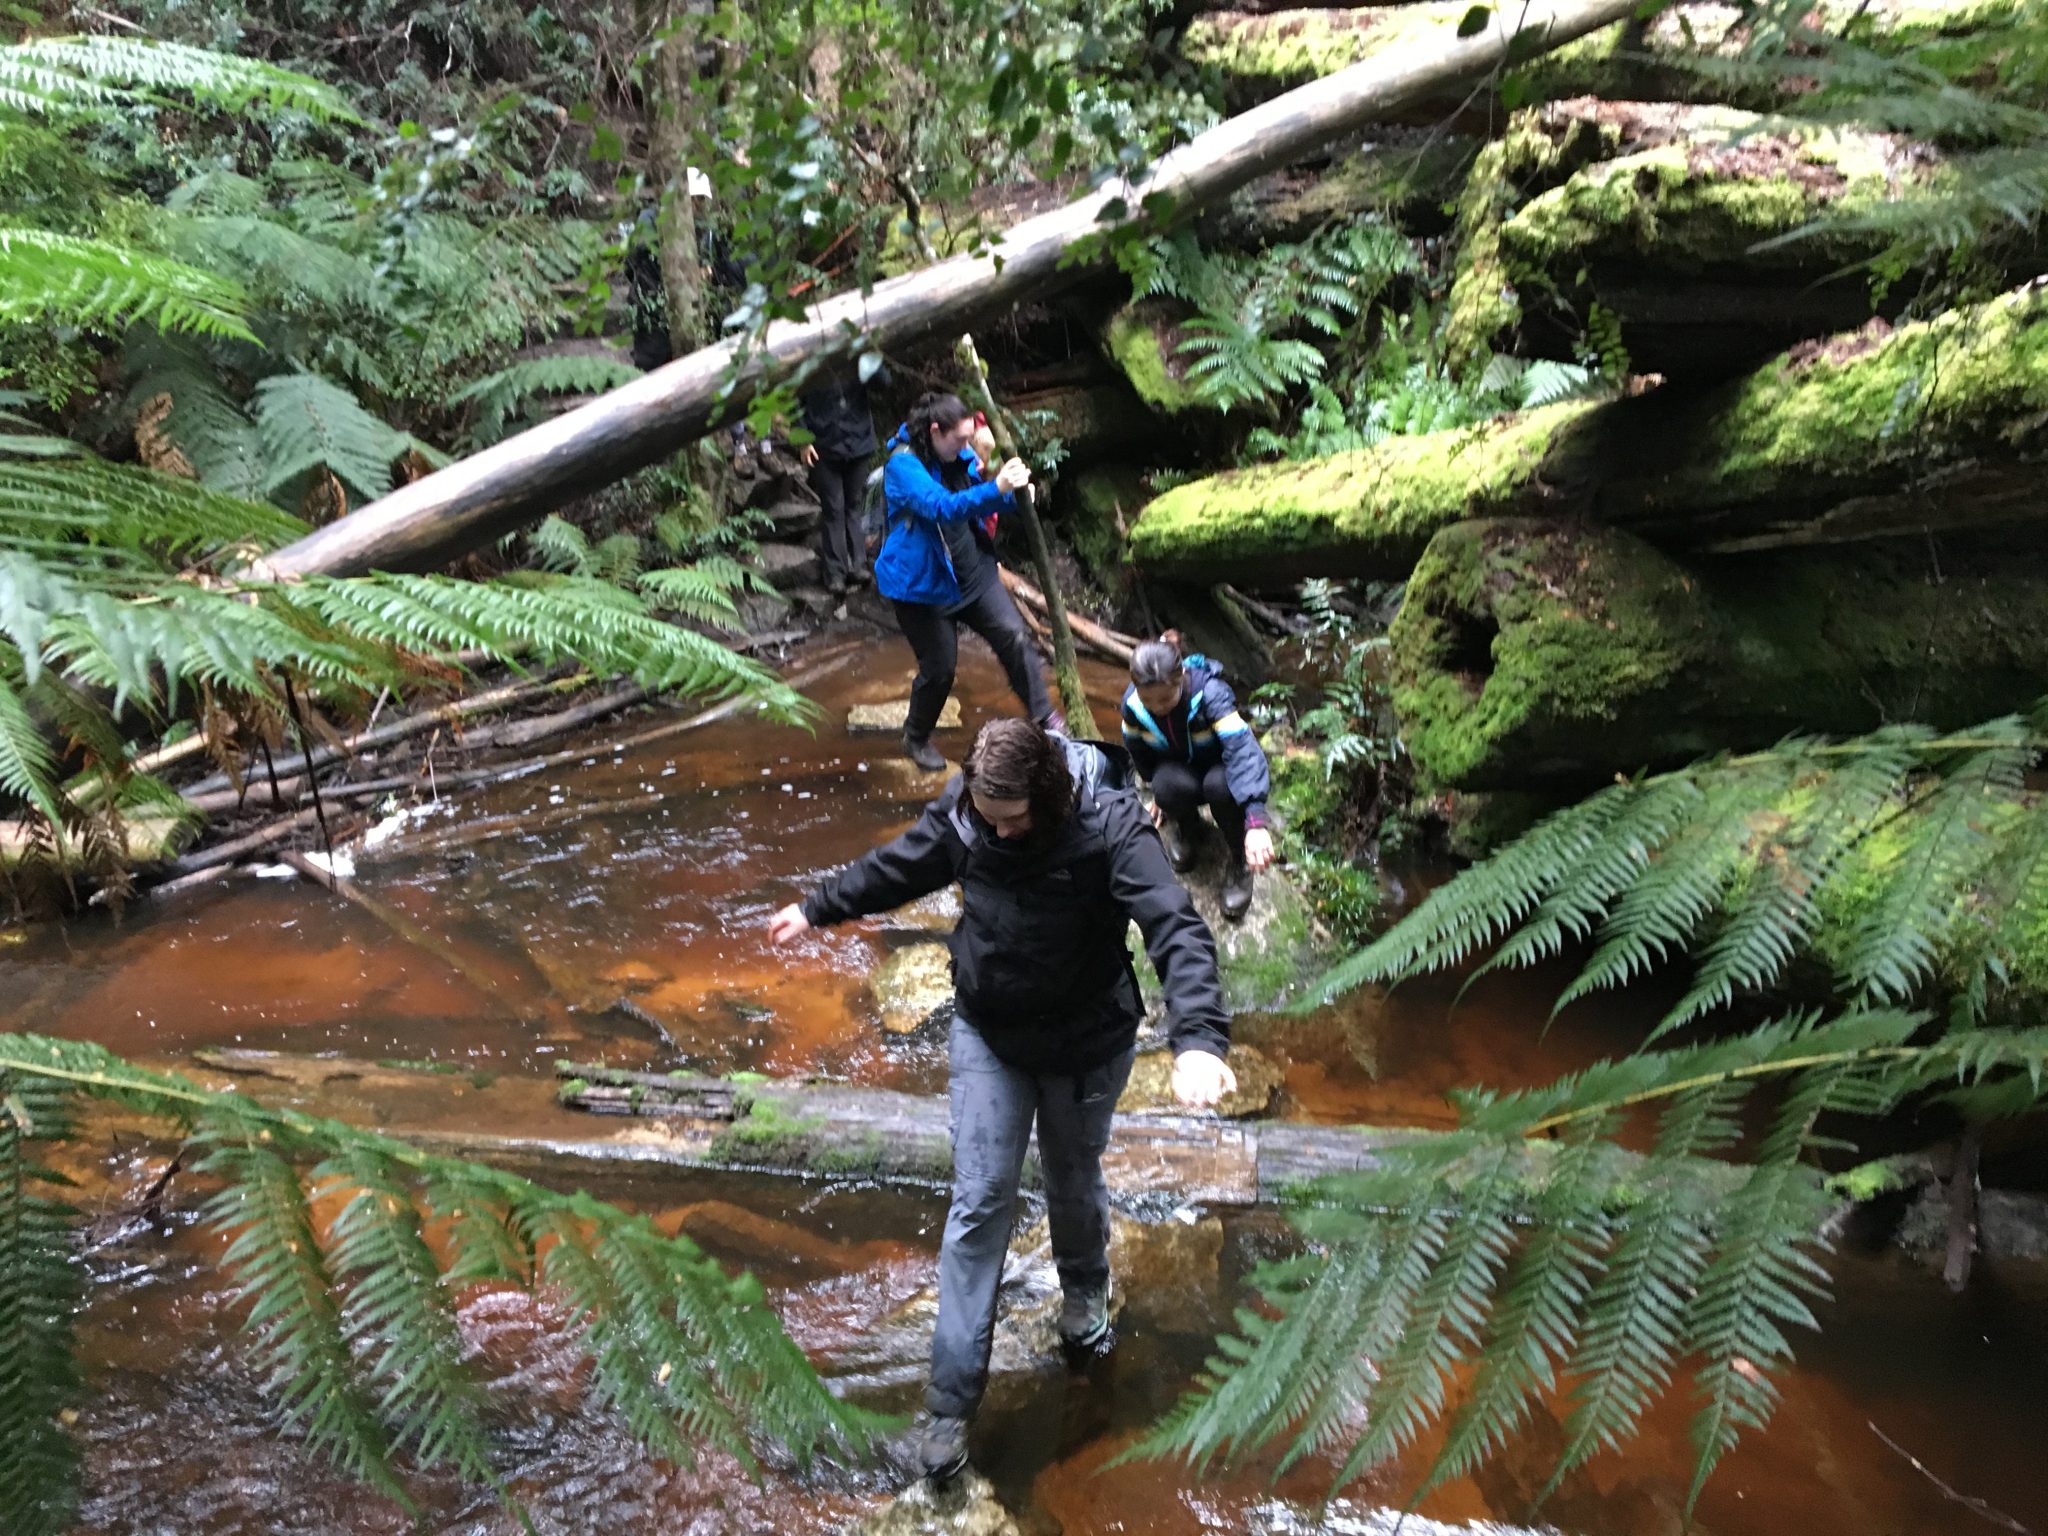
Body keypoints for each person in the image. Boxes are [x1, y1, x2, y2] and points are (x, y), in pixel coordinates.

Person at [766, 718, 1237, 1481]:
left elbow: (1174, 927)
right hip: (990, 1031)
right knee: (980, 1202)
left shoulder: (1110, 822)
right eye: (989, 819)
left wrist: (1199, 1041)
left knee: (1070, 1177)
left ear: (1047, 797)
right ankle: (949, 1409)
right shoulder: (969, 812)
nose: (999, 831)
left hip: (1087, 1041)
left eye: (1012, 820)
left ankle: (1085, 1297)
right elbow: (905, 864)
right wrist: (821, 906)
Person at [875, 391, 1060, 773]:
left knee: (1013, 636)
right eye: (959, 439)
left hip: (972, 572)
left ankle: (1047, 721)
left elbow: (978, 497)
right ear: (935, 431)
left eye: (968, 437)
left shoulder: (956, 455)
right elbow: (941, 507)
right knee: (940, 669)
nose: (967, 445)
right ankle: (916, 735)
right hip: (923, 588)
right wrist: (999, 488)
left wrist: (1014, 497)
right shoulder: (902, 467)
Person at [1120, 639, 1275, 922]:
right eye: (1148, 701)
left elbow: (1242, 751)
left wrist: (1255, 821)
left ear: (1181, 679)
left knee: (1220, 786)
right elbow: (1138, 750)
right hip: (1183, 775)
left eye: (1165, 699)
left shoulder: (1211, 694)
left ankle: (1239, 857)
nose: (1157, 708)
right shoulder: (1133, 707)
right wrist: (1152, 790)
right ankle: (1190, 829)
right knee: (1164, 784)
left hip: (1220, 773)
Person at [797, 365, 881, 594]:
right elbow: (793, 401)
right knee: (833, 507)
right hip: (823, 445)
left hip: (858, 441)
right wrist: (803, 440)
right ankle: (835, 572)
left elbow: (882, 382)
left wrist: (869, 355)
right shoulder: (810, 362)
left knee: (853, 505)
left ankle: (858, 565)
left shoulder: (858, 357)